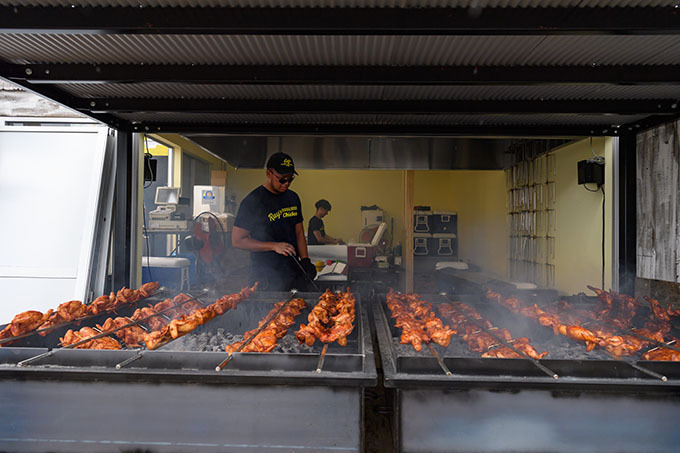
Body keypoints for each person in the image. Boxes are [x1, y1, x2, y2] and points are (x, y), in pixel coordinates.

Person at [232, 152, 317, 291]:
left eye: (290, 179)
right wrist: (273, 246)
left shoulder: (293, 198)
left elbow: (299, 232)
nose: (287, 184)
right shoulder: (253, 201)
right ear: (268, 173)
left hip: (292, 272)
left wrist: (305, 261)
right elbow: (237, 240)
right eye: (282, 180)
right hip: (266, 276)